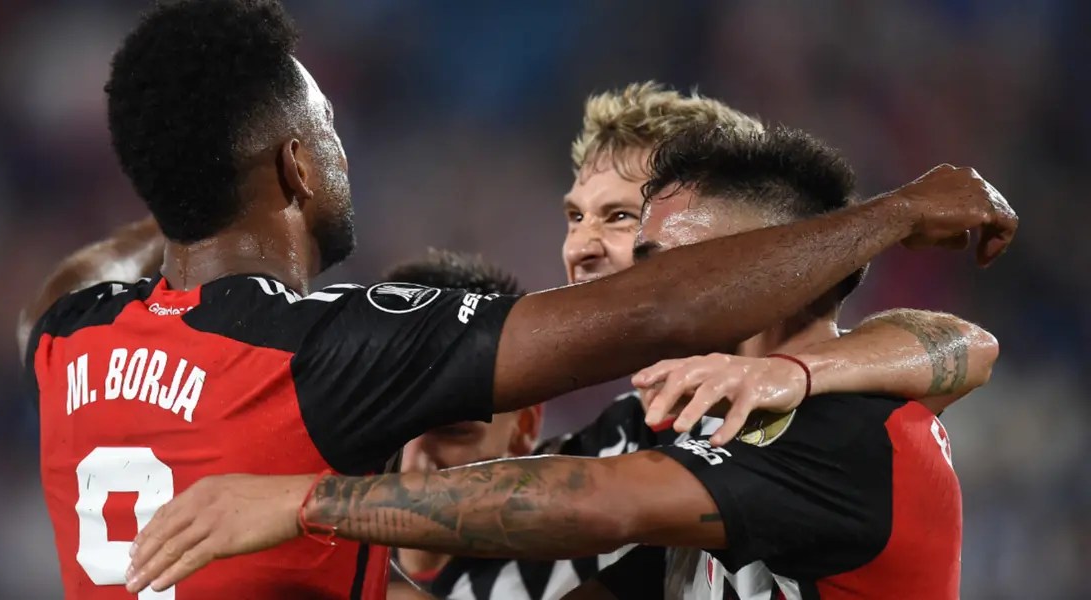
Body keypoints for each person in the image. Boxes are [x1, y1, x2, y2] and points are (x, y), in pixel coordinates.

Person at [23, 1, 1015, 598]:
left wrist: (306, 505)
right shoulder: (335, 351)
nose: (595, 253)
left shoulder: (69, 338)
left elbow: (592, 497)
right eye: (589, 221)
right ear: (295, 166)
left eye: (642, 238)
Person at [125, 125, 997, 599]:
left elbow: (594, 506)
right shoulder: (704, 427)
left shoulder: (846, 431)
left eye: (675, 265)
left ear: (778, 270)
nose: (638, 285)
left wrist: (303, 505)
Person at [389, 84, 1001, 600]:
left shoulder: (833, 423)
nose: (580, 248)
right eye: (576, 216)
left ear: (760, 258)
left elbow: (965, 344)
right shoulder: (657, 420)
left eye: (621, 217)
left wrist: (793, 369)